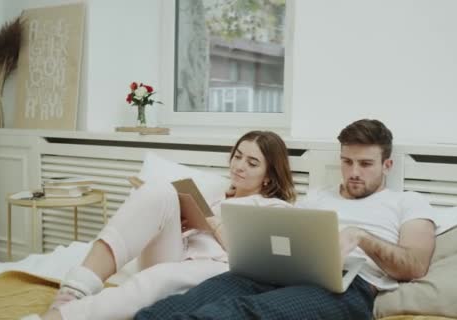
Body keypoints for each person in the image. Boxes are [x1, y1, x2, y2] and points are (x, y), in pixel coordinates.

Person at [133, 119, 437, 320]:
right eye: (347, 161)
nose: (354, 172)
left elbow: (415, 265)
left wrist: (359, 236)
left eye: (365, 164)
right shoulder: (317, 197)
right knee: (180, 304)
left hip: (347, 286)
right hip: (282, 273)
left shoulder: (407, 201)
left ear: (388, 164)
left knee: (239, 312)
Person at [31, 130, 297, 320]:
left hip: (213, 270)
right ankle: (75, 288)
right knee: (160, 190)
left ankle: (60, 316)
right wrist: (181, 219)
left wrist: (211, 223)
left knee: (152, 279)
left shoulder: (273, 207)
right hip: (178, 252)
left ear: (268, 176)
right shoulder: (215, 190)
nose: (239, 166)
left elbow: (252, 257)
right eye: (237, 156)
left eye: (252, 163)